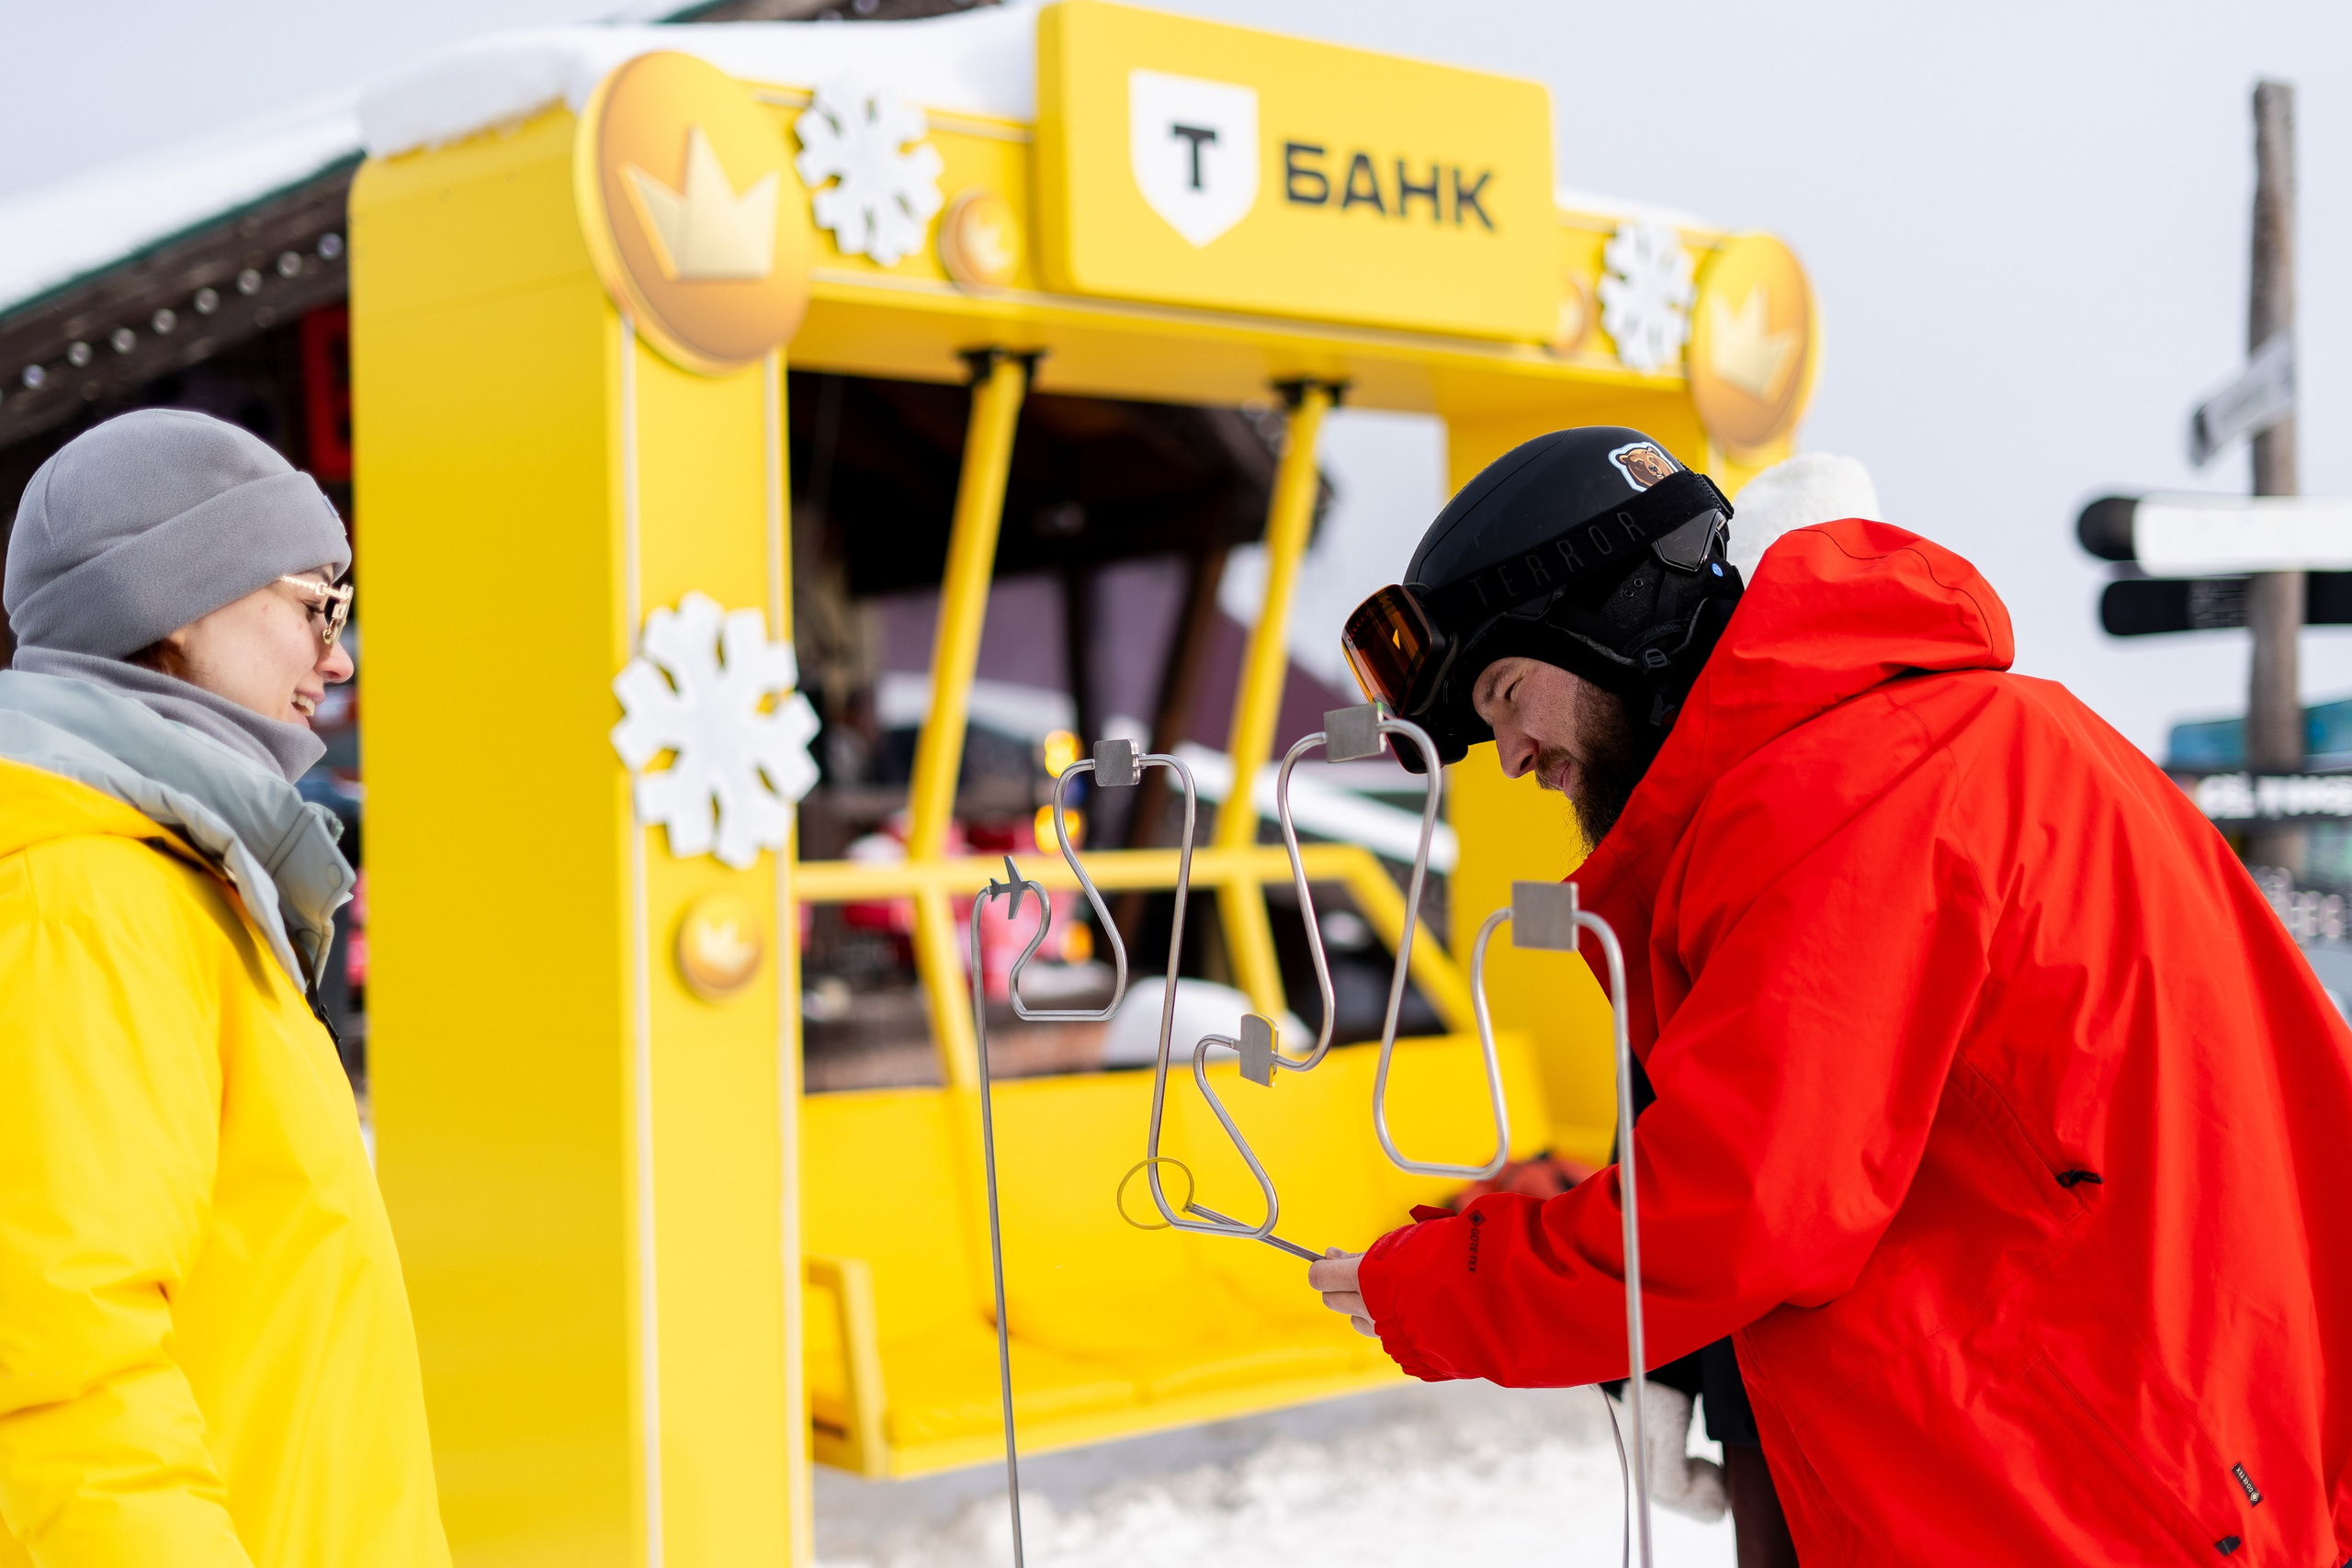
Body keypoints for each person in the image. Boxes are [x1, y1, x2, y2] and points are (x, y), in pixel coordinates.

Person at [1308, 425, 2352, 1564]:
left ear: (1613, 619)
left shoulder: (1848, 797)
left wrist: (1441, 1285)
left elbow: (1743, 1207)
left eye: (1507, 694)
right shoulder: (1968, 735)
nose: (1510, 755)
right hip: (2183, 1445)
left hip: (2096, 1489)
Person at [0, 409, 447, 1566]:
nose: (338, 658)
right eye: (317, 607)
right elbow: (63, 1385)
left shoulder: (183, 881)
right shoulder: (89, 901)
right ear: (178, 604)